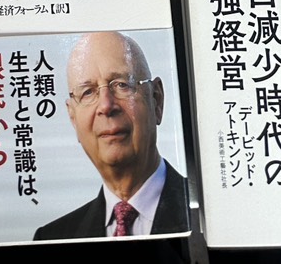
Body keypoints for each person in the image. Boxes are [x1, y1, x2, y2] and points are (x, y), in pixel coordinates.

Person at [34, 30, 189, 241]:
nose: (106, 106)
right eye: (88, 92)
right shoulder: (51, 239)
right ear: (73, 118)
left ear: (156, 100)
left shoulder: (213, 214)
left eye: (122, 85)